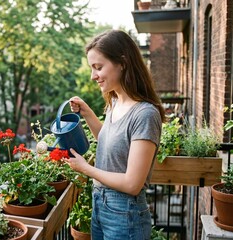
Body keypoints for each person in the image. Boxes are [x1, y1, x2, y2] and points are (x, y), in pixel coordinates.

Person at [65, 29, 166, 240]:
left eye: (98, 67)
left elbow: (132, 183)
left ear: (122, 63)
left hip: (125, 213)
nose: (93, 76)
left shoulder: (145, 114)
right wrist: (87, 113)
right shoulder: (115, 101)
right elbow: (110, 141)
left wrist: (86, 169)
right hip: (101, 204)